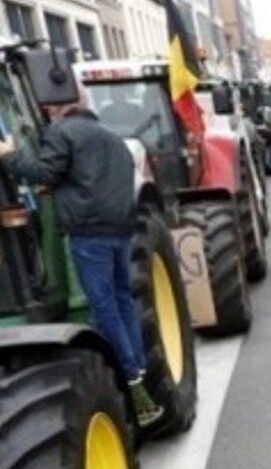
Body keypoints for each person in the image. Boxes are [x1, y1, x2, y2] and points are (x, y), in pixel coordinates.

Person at [0, 99, 162, 426]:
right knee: (122, 300)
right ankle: (138, 368)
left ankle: (130, 378)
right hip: (119, 231)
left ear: (63, 115)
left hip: (89, 234)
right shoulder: (115, 141)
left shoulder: (63, 133)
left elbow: (43, 171)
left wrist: (9, 154)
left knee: (103, 307)